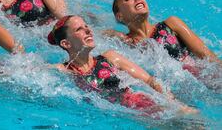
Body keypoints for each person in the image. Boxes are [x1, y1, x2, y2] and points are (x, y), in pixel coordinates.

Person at [48, 15, 196, 114]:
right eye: (79, 29)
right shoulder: (64, 70)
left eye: (86, 26)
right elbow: (28, 73)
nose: (88, 30)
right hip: (123, 116)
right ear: (66, 43)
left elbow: (150, 81)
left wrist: (174, 103)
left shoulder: (111, 58)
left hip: (143, 106)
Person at [110, 0, 221, 76]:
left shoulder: (171, 24)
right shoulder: (128, 43)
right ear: (119, 16)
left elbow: (208, 58)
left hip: (207, 79)